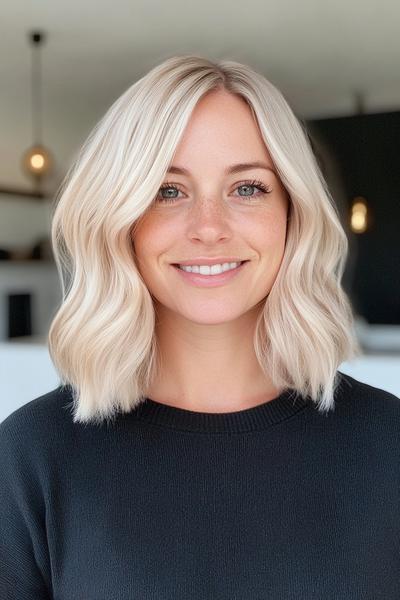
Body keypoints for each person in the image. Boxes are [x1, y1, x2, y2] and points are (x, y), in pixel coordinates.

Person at [1, 55, 399, 599]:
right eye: (168, 191)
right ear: (122, 222)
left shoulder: (389, 445)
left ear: (292, 213)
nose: (208, 228)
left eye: (247, 188)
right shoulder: (31, 457)